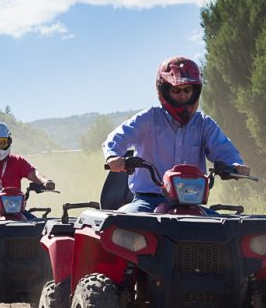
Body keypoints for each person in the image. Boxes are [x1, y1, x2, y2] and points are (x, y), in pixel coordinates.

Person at [103, 56, 250, 213]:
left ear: (195, 91)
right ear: (164, 91)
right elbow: (117, 137)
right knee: (124, 222)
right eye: (176, 90)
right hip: (148, 201)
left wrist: (234, 165)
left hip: (191, 202)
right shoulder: (148, 119)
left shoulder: (204, 124)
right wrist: (113, 157)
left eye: (187, 90)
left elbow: (223, 149)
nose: (183, 95)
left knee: (224, 227)